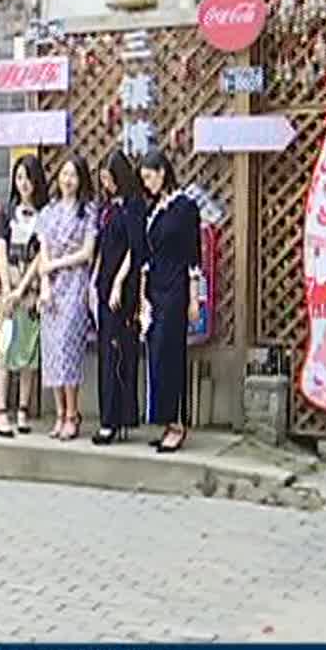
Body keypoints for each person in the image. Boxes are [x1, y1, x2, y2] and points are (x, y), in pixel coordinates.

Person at [138, 149, 201, 454]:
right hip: (155, 289)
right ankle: (164, 419)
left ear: (163, 172)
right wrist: (143, 297)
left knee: (171, 352)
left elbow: (193, 255)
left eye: (150, 177)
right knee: (156, 354)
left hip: (176, 288)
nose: (147, 184)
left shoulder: (185, 207)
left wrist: (194, 298)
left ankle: (177, 422)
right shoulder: (154, 210)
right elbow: (147, 256)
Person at [36, 152, 97, 442]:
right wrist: (44, 284)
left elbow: (87, 253)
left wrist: (56, 265)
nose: (68, 180)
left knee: (68, 347)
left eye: (73, 174)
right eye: (64, 174)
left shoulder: (88, 211)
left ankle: (73, 413)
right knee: (51, 350)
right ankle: (59, 413)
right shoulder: (48, 212)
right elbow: (43, 252)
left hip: (75, 285)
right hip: (52, 287)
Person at [91, 149, 147, 445]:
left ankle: (115, 419)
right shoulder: (107, 208)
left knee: (119, 351)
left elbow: (134, 249)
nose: (107, 184)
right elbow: (102, 247)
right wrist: (95, 281)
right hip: (103, 284)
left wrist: (118, 282)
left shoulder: (134, 206)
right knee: (106, 350)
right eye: (102, 179)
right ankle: (109, 415)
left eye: (109, 178)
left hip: (122, 288)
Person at [0, 154, 48, 438]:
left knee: (29, 354)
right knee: (4, 352)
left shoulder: (44, 215)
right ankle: (2, 412)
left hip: (30, 293)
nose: (24, 183)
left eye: (28, 178)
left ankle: (23, 410)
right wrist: (7, 290)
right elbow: (1, 252)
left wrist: (22, 289)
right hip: (9, 293)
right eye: (19, 178)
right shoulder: (6, 213)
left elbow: (41, 257)